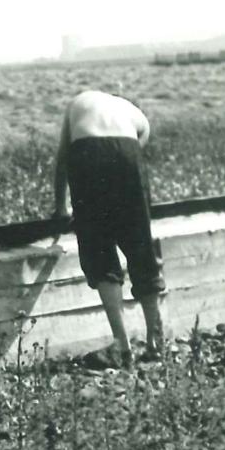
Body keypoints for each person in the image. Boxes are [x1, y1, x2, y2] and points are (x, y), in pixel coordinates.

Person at [52, 90, 165, 368]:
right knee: (140, 245)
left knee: (99, 248)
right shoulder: (135, 114)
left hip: (87, 152)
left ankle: (122, 346)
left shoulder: (78, 102)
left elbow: (63, 160)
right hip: (128, 151)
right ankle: (155, 342)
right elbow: (137, 151)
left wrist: (61, 207)